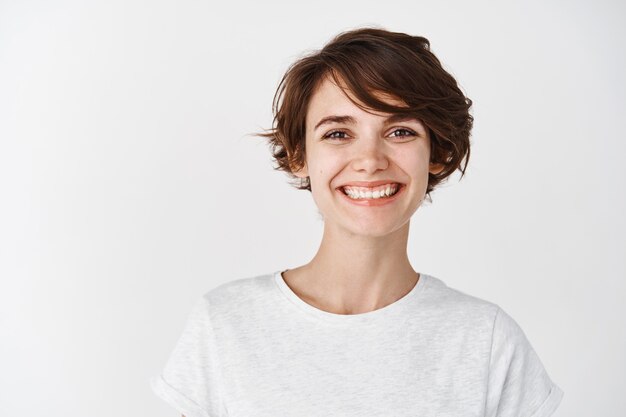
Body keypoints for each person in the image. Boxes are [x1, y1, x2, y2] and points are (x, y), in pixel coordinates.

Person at [150, 26, 564, 417]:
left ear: (437, 152)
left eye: (400, 131)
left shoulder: (487, 341)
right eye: (337, 134)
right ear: (299, 155)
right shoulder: (224, 325)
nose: (370, 160)